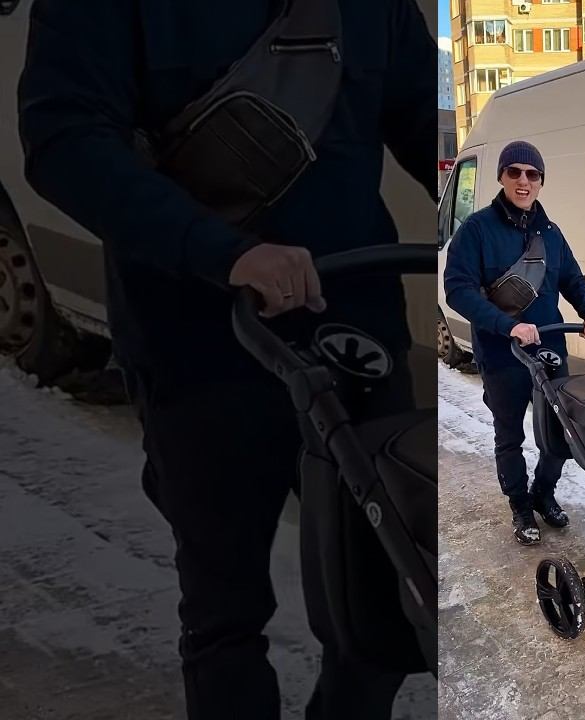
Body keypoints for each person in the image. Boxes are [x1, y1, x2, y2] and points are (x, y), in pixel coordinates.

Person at [17, 1, 437, 718]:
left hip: (356, 335)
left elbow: (424, 118)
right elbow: (64, 139)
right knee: (225, 614)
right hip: (196, 347)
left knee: (385, 603)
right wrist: (224, 253)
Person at [444, 140, 585, 546]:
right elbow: (458, 290)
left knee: (558, 432)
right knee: (509, 435)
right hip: (502, 352)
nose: (523, 181)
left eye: (532, 174)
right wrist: (507, 326)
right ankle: (520, 505)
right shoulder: (477, 230)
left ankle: (543, 493)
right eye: (514, 172)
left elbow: (573, 279)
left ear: (541, 181)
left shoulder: (550, 233)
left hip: (549, 348)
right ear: (501, 176)